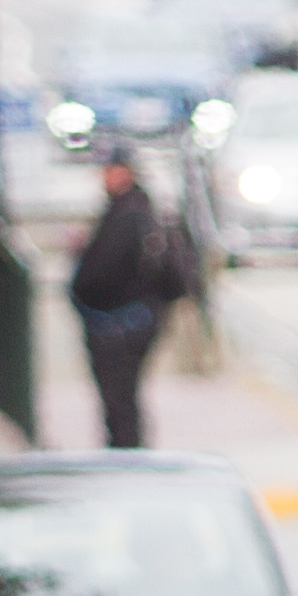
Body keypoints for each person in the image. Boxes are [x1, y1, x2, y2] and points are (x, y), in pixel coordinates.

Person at [71, 149, 198, 451]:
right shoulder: (131, 210)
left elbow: (108, 271)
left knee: (121, 402)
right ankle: (128, 452)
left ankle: (128, 457)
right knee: (122, 400)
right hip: (126, 320)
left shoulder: (130, 216)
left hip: (122, 324)